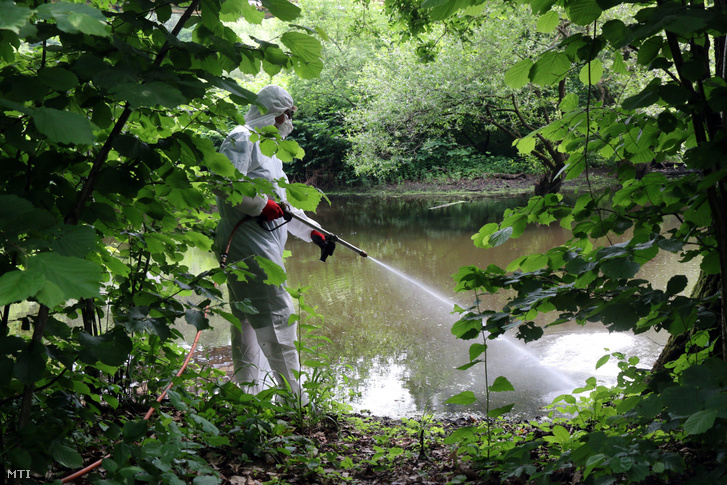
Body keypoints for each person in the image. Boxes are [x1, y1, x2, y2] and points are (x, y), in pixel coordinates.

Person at [213, 85, 333, 404]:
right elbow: (225, 184)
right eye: (285, 114)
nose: (288, 121)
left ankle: (250, 396)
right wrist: (258, 204)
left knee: (249, 320)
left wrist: (313, 232)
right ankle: (294, 403)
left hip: (261, 242)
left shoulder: (271, 151)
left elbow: (283, 205)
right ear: (270, 111)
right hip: (246, 242)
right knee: (278, 315)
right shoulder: (242, 137)